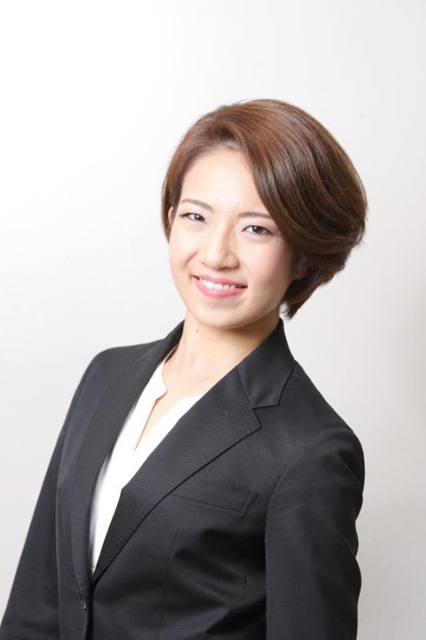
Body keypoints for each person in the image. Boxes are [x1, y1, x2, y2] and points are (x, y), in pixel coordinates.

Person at [0, 98, 367, 639]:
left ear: (305, 255)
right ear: (171, 218)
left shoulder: (311, 449)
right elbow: (38, 597)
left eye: (257, 229)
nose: (216, 254)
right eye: (196, 216)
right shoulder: (107, 375)